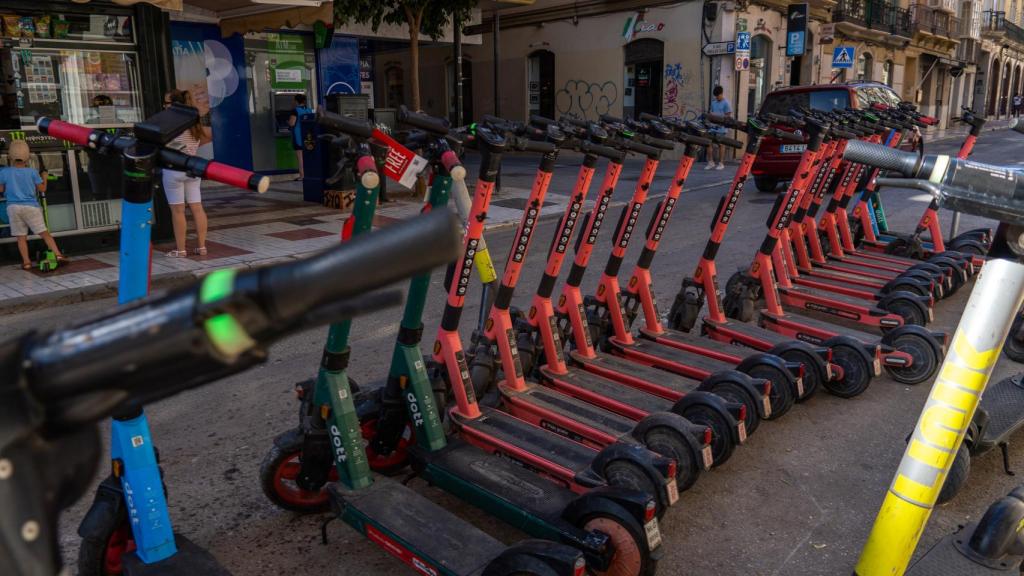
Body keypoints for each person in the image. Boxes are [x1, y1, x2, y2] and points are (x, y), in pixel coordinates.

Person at [0, 140, 67, 270]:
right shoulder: (32, 172)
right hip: (31, 206)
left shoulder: (4, 172)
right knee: (44, 233)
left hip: (13, 207)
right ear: (28, 157)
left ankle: (26, 263)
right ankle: (58, 255)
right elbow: (42, 189)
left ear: (10, 157)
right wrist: (45, 177)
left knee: (21, 237)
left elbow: (1, 190)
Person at [162, 89, 208, 258]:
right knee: (197, 208)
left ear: (173, 105)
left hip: (173, 170)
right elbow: (203, 138)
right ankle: (202, 247)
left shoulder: (168, 123)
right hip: (192, 169)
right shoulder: (194, 122)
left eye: (166, 104)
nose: (164, 107)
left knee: (178, 211)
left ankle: (181, 250)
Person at [706, 85, 733, 170]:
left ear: (721, 94)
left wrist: (719, 117)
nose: (717, 97)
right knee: (708, 143)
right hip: (712, 127)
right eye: (716, 96)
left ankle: (721, 163)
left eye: (718, 96)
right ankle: (711, 162)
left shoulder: (726, 103)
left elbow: (728, 116)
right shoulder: (713, 102)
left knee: (721, 145)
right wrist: (711, 115)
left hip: (721, 127)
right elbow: (711, 112)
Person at [288, 94, 312, 179]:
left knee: (300, 157)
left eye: (293, 100)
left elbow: (292, 123)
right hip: (308, 136)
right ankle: (309, 173)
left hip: (298, 136)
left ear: (296, 101)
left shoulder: (295, 111)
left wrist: (288, 121)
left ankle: (302, 175)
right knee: (308, 156)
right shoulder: (309, 110)